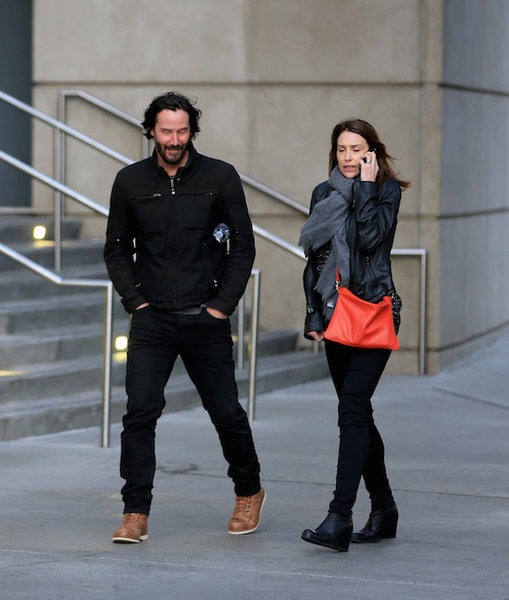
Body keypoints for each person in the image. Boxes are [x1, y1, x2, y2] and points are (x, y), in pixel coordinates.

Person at [104, 91, 265, 543]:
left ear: (192, 130)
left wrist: (221, 306)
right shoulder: (130, 181)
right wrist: (135, 301)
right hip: (152, 319)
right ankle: (135, 511)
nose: (174, 140)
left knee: (225, 412)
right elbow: (116, 248)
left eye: (181, 131)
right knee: (140, 413)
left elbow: (243, 247)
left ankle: (249, 491)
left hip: (205, 317)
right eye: (165, 131)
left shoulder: (220, 177)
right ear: (151, 131)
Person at [298, 118, 410, 552]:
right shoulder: (323, 193)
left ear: (371, 152)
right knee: (359, 412)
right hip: (334, 315)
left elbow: (369, 239)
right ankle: (384, 510)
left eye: (357, 149)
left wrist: (365, 187)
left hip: (374, 312)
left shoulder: (385, 191)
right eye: (342, 149)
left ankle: (338, 517)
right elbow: (314, 257)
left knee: (350, 410)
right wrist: (313, 313)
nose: (348, 157)